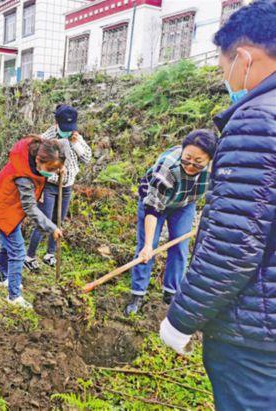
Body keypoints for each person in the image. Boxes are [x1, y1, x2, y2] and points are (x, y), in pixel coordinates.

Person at [159, 1, 276, 409]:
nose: (225, 78)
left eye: (224, 67)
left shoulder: (258, 120)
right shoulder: (168, 167)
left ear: (243, 59)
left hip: (255, 335)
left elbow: (231, 246)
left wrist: (181, 319)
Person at [124, 129, 217, 316]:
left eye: (198, 162)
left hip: (184, 204)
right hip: (154, 202)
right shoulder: (168, 167)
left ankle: (171, 293)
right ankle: (137, 294)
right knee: (146, 247)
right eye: (187, 158)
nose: (190, 165)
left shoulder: (217, 170)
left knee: (180, 246)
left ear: (210, 160)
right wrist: (149, 245)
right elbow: (152, 209)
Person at [0, 136, 65, 308]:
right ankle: (14, 297)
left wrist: (57, 168)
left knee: (8, 244)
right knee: (18, 251)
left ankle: (2, 278)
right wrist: (51, 227)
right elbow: (30, 207)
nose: (50, 173)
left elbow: (46, 165)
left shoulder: (38, 150)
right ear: (38, 160)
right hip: (3, 206)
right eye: (50, 169)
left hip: (6, 201)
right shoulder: (24, 175)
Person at [24, 105, 92, 271]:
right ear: (56, 123)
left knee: (58, 221)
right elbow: (37, 161)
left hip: (66, 186)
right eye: (64, 128)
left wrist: (76, 145)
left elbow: (87, 158)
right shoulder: (48, 136)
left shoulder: (76, 137)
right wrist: (47, 180)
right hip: (49, 186)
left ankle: (50, 254)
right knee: (44, 221)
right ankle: (29, 257)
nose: (67, 132)